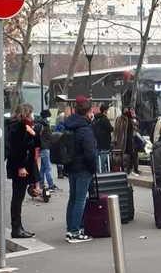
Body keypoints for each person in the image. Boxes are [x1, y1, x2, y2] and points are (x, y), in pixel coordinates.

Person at [63, 96, 98, 243]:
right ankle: (76, 231)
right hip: (83, 168)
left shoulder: (70, 125)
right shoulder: (85, 129)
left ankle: (70, 229)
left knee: (73, 198)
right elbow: (90, 153)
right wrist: (93, 168)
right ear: (88, 112)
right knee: (80, 200)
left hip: (71, 166)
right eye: (91, 111)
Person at [7, 103, 39, 238]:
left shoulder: (26, 126)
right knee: (17, 198)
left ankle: (19, 227)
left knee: (19, 197)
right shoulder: (18, 127)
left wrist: (34, 134)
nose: (33, 115)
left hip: (24, 166)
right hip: (21, 167)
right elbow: (17, 149)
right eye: (31, 112)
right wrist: (21, 166)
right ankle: (16, 228)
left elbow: (37, 144)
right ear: (26, 113)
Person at [36, 109, 57, 191]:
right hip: (45, 147)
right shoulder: (44, 125)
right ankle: (51, 184)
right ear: (46, 116)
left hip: (42, 147)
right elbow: (48, 136)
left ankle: (41, 183)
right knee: (48, 167)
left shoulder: (40, 124)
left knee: (43, 168)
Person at [93, 103, 114, 173]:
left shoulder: (95, 119)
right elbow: (110, 128)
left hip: (96, 143)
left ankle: (98, 173)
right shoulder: (105, 119)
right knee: (103, 160)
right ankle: (103, 175)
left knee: (97, 161)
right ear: (105, 110)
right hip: (104, 143)